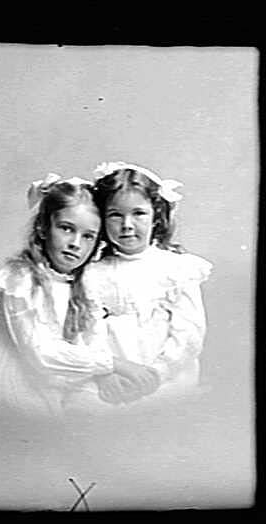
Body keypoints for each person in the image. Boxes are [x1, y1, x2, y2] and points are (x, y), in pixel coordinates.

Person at [0, 173, 135, 430]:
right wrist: (113, 364)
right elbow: (41, 354)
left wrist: (105, 374)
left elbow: (92, 334)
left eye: (88, 236)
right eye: (66, 229)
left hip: (55, 377)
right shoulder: (20, 279)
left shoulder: (80, 282)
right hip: (11, 378)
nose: (76, 244)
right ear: (43, 228)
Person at [82, 161, 212, 403]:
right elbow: (88, 332)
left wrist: (158, 373)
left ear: (156, 217)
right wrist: (104, 374)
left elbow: (189, 334)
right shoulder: (92, 273)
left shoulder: (176, 269)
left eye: (138, 213)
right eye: (115, 215)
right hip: (112, 378)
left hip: (165, 376)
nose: (127, 225)